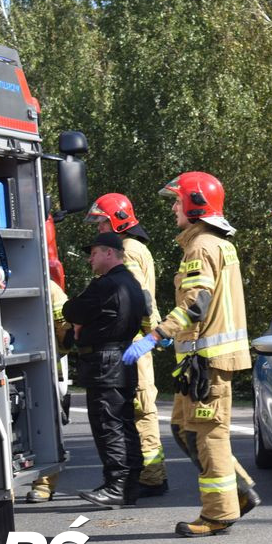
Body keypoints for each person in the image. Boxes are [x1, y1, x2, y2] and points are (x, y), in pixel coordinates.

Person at [123, 171, 259, 537]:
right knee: (183, 429)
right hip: (202, 359)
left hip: (208, 361)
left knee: (207, 436)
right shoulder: (213, 243)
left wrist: (155, 335)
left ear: (195, 204)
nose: (172, 207)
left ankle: (218, 514)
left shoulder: (202, 246)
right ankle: (239, 493)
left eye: (177, 200)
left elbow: (196, 303)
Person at [85, 193, 169, 497]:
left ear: (117, 219)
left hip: (132, 341)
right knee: (137, 407)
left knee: (140, 407)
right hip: (138, 338)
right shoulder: (136, 248)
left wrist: (148, 336)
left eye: (101, 222)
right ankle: (149, 473)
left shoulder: (127, 251)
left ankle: (151, 476)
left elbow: (136, 296)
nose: (98, 228)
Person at [64, 233, 148, 508]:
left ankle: (116, 486)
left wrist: (78, 320)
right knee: (123, 423)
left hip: (104, 362)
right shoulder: (132, 284)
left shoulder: (106, 286)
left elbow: (72, 309)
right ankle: (129, 485)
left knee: (107, 425)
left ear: (109, 254)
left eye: (94, 253)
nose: (90, 259)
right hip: (121, 358)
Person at [25, 279, 73, 503]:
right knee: (45, 428)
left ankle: (42, 485)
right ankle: (44, 485)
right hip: (41, 368)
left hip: (38, 369)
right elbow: (65, 327)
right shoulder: (48, 284)